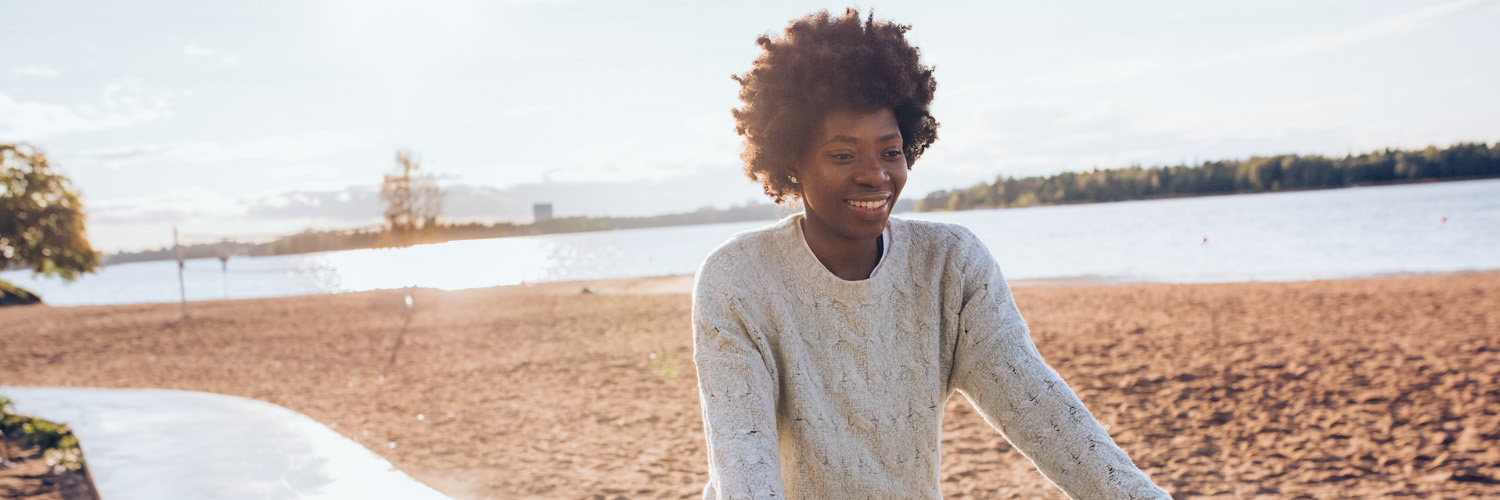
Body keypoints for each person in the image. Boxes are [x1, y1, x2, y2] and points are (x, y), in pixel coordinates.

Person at [691, 8, 1170, 500]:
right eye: (843, 154)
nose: (875, 174)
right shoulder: (737, 280)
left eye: (891, 151)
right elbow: (743, 465)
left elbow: (1042, 411)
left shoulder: (951, 265)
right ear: (791, 159)